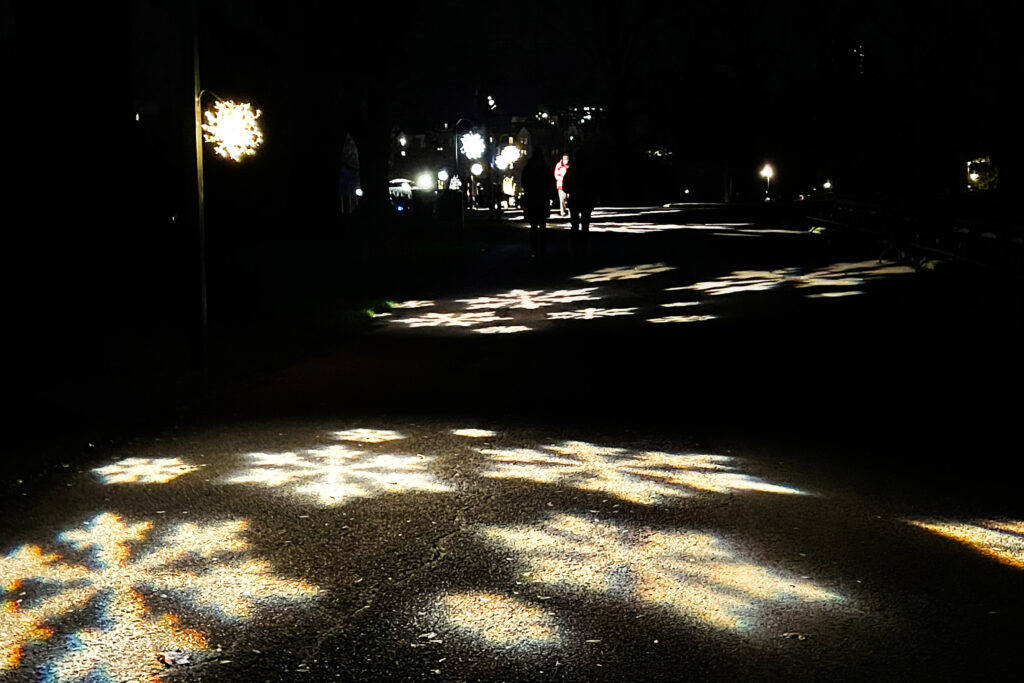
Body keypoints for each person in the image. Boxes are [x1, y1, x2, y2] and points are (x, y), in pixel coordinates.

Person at [521, 147, 556, 258]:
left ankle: (535, 249)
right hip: (542, 199)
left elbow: (524, 182)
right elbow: (551, 182)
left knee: (533, 226)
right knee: (542, 225)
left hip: (532, 199)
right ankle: (542, 249)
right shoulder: (545, 168)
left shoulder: (528, 168)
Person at [561, 149, 597, 255]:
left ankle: (575, 248)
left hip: (575, 199)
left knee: (575, 225)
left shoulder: (572, 170)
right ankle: (583, 247)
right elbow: (594, 185)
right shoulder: (589, 170)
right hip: (586, 199)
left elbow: (565, 186)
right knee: (585, 225)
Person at [554, 153, 570, 217]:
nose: (566, 160)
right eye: (564, 159)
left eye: (567, 159)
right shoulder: (558, 165)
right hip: (561, 185)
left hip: (569, 184)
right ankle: (563, 212)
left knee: (569, 198)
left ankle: (570, 211)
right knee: (562, 199)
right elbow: (556, 175)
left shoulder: (570, 165)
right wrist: (562, 179)